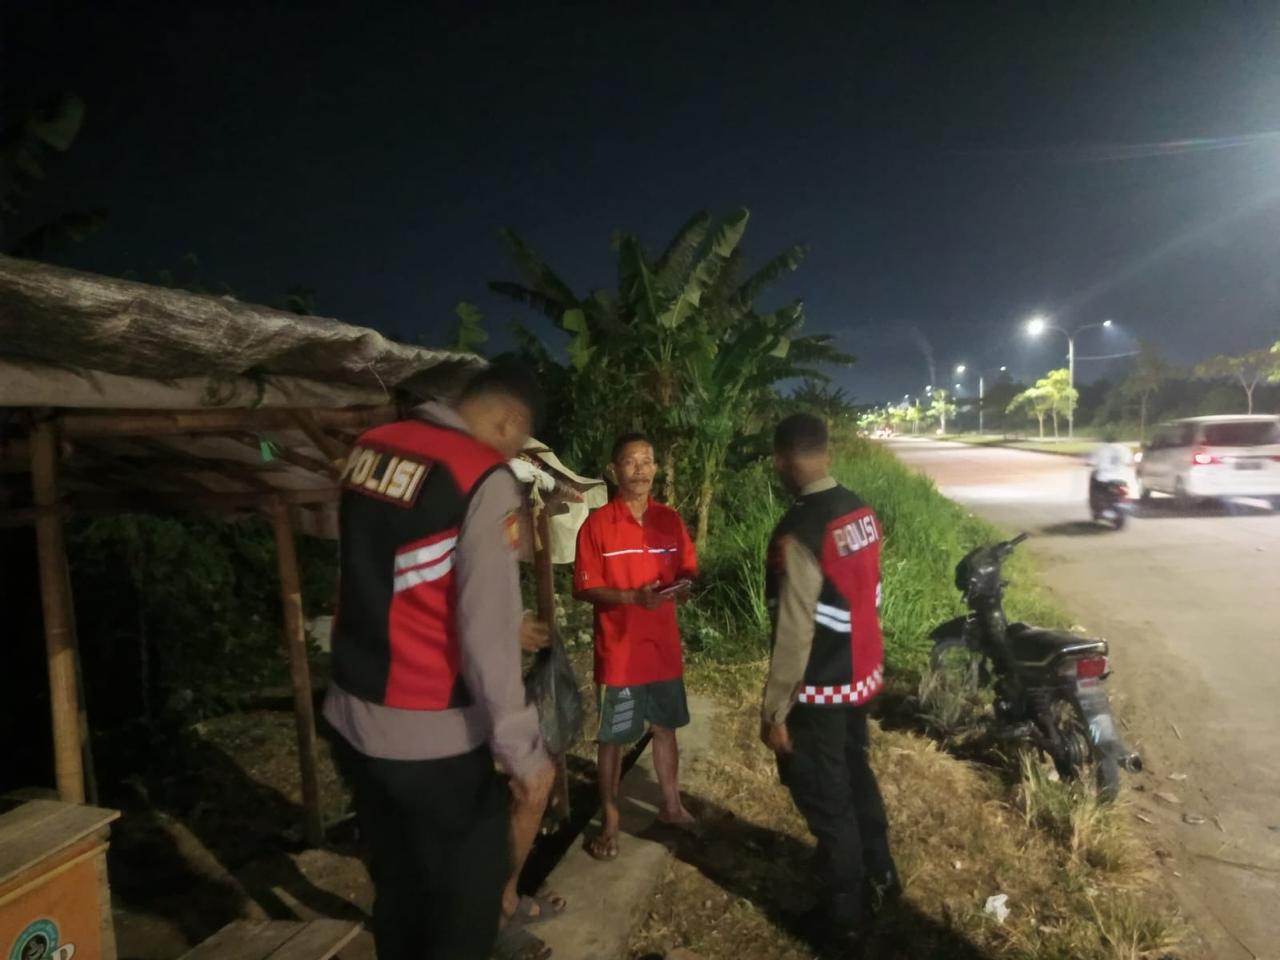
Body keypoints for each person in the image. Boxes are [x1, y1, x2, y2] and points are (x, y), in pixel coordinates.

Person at [322, 361, 557, 960]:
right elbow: (487, 633)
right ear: (509, 421)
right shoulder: (482, 477)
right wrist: (523, 753)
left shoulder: (371, 447)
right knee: (465, 909)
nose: (512, 452)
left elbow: (388, 571)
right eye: (518, 441)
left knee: (400, 890)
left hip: (351, 716)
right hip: (430, 738)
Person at [759, 413, 900, 948]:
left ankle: (845, 919)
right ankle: (881, 871)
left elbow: (794, 631)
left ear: (780, 461)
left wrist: (775, 711)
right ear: (827, 453)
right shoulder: (859, 509)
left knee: (827, 795)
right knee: (856, 772)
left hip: (819, 687)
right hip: (859, 675)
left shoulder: (798, 531)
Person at [573, 433, 698, 861]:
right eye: (630, 461)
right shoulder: (597, 525)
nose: (640, 469)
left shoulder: (670, 520)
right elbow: (584, 587)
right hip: (620, 653)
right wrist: (630, 598)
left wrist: (682, 588)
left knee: (666, 727)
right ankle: (610, 820)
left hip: (663, 649)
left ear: (656, 469)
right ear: (613, 471)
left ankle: (672, 805)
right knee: (613, 738)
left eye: (647, 460)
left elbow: (687, 570)